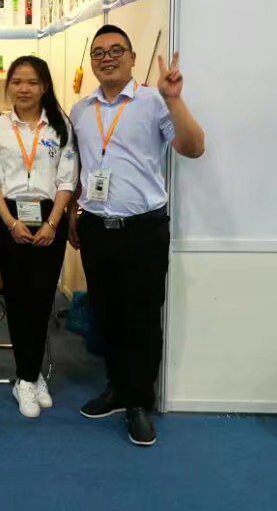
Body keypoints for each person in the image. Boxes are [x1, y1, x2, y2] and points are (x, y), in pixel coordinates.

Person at [69, 24, 205, 446]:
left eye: (116, 50)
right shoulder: (81, 110)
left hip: (143, 228)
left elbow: (194, 147)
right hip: (96, 227)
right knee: (106, 314)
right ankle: (116, 388)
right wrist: (74, 212)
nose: (107, 58)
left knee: (142, 318)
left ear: (131, 57)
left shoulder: (153, 101)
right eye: (98, 52)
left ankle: (139, 403)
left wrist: (174, 99)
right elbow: (81, 166)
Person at [0, 56, 78, 419]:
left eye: (32, 82)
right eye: (17, 81)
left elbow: (67, 179)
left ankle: (30, 373)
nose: (24, 89)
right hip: (9, 218)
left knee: (42, 299)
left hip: (49, 217)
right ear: (8, 85)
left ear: (44, 87)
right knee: (18, 298)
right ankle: (26, 378)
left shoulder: (60, 126)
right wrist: (10, 222)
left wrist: (53, 223)